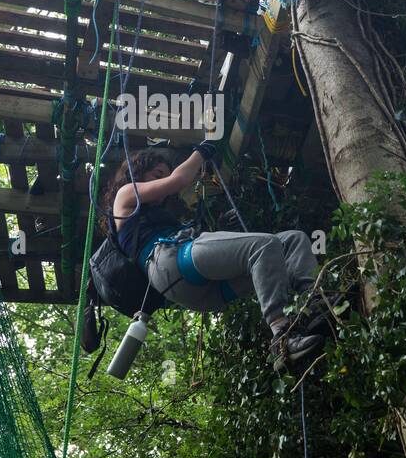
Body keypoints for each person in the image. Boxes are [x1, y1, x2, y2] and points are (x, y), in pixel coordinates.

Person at [101, 143, 329, 375]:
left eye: (164, 176)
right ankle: (282, 338)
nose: (161, 181)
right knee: (264, 245)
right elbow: (178, 181)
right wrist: (202, 151)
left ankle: (315, 306)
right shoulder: (125, 194)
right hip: (169, 262)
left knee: (292, 241)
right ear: (137, 173)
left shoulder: (159, 217)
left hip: (201, 290)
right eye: (157, 175)